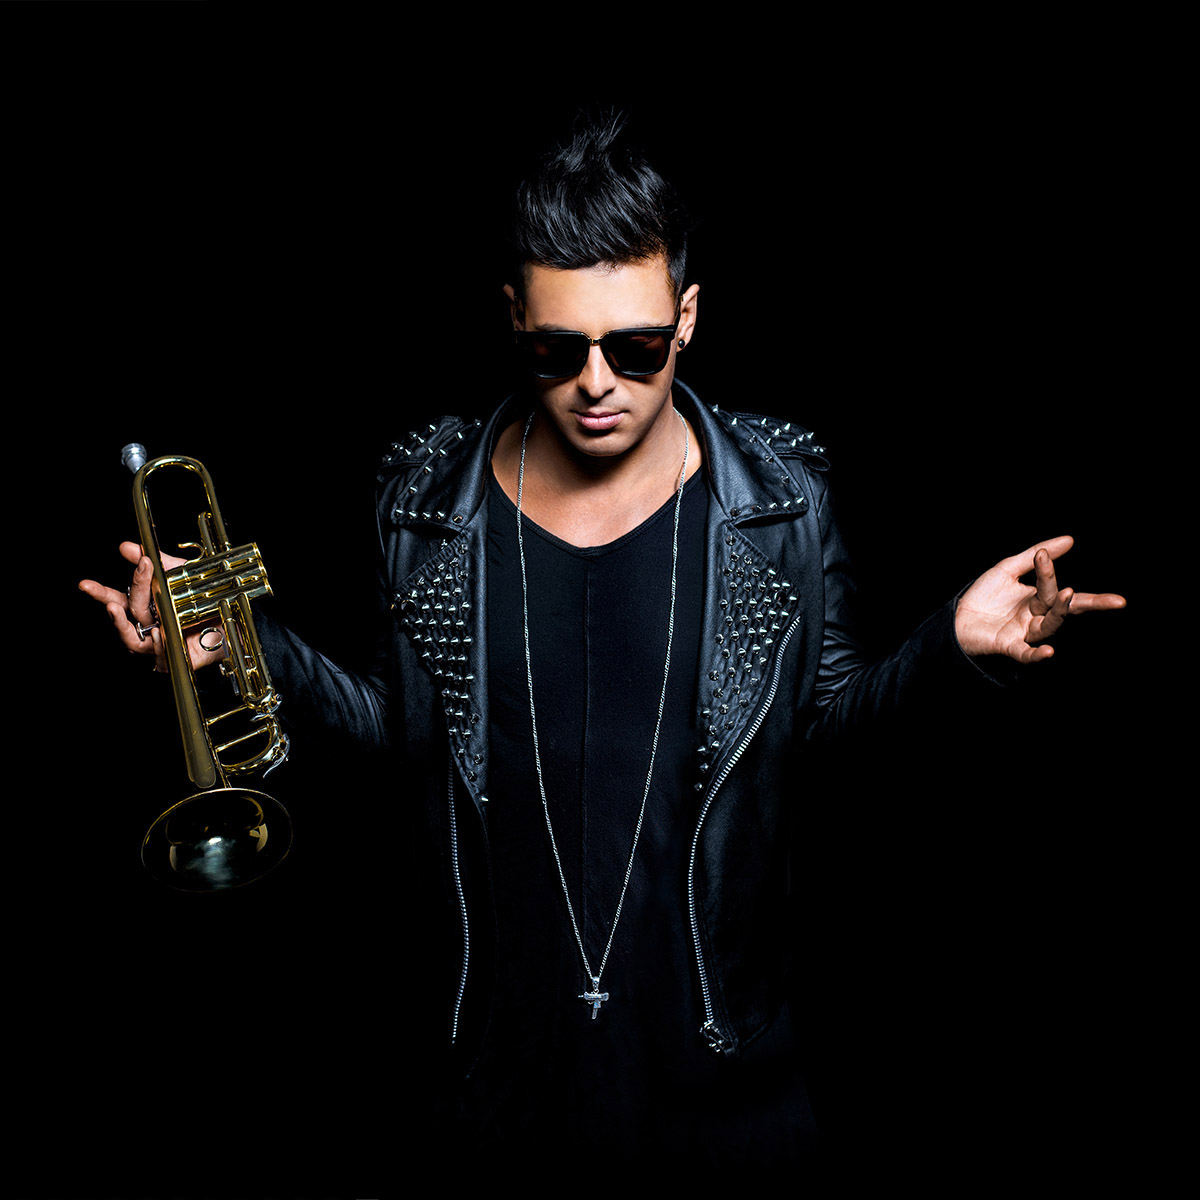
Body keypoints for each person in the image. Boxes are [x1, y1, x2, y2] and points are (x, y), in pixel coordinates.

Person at [78, 112, 1126, 1167]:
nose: (595, 382)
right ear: (513, 319)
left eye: (635, 347)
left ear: (688, 317)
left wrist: (952, 647)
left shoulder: (781, 506)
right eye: (557, 347)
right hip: (488, 1080)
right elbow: (396, 738)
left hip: (723, 1074)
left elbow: (823, 735)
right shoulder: (422, 506)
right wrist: (239, 644)